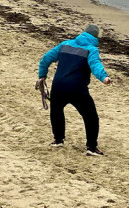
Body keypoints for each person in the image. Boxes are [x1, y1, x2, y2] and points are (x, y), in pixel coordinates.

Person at [36, 24, 111, 153]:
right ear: (95, 37)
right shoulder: (91, 49)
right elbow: (95, 64)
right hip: (77, 89)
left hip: (58, 86)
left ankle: (58, 140)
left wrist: (42, 76)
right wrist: (104, 77)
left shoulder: (65, 44)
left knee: (56, 112)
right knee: (91, 117)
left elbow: (45, 59)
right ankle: (91, 148)